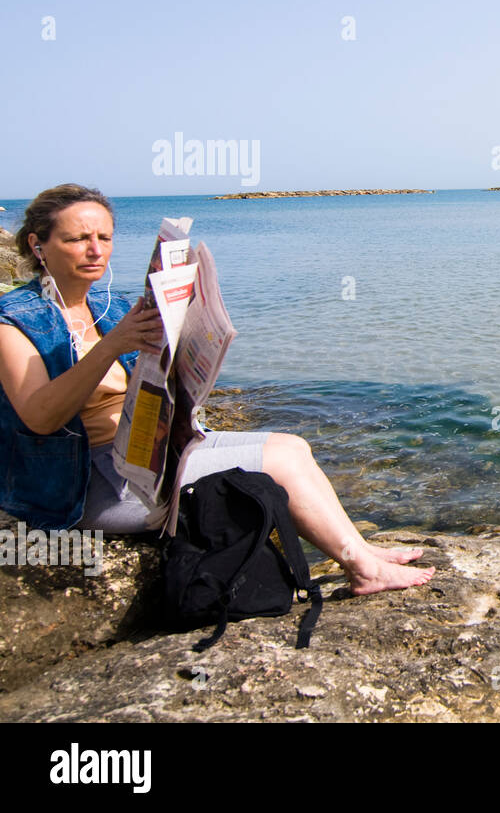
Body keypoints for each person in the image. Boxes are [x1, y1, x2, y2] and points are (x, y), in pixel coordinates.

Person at [0, 185, 432, 595]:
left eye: (104, 237)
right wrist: (115, 344)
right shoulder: (16, 321)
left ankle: (361, 548)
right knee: (277, 461)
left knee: (294, 445)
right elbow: (41, 416)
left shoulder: (108, 308)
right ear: (39, 245)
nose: (96, 250)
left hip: (145, 457)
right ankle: (363, 569)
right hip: (86, 485)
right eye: (78, 239)